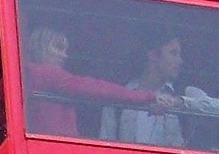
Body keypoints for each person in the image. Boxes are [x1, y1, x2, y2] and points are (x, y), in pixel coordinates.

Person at [21, 23, 170, 139]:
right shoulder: (46, 73)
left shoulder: (28, 75)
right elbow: (94, 88)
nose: (64, 56)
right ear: (41, 45)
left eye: (65, 50)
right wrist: (146, 96)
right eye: (58, 47)